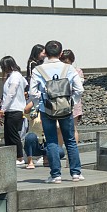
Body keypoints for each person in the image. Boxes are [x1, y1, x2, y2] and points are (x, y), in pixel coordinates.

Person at [30, 41, 85, 182]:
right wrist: (71, 102)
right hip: (66, 108)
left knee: (52, 141)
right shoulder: (69, 69)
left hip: (46, 109)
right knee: (70, 140)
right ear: (61, 54)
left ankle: (56, 175)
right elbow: (79, 89)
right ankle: (76, 173)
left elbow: (32, 92)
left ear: (46, 54)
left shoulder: (38, 69)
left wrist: (39, 104)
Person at [0, 56, 29, 163]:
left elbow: (11, 93)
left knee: (13, 135)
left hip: (14, 109)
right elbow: (25, 84)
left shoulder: (14, 76)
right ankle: (12, 156)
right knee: (8, 134)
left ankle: (19, 157)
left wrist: (3, 108)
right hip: (13, 109)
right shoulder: (16, 76)